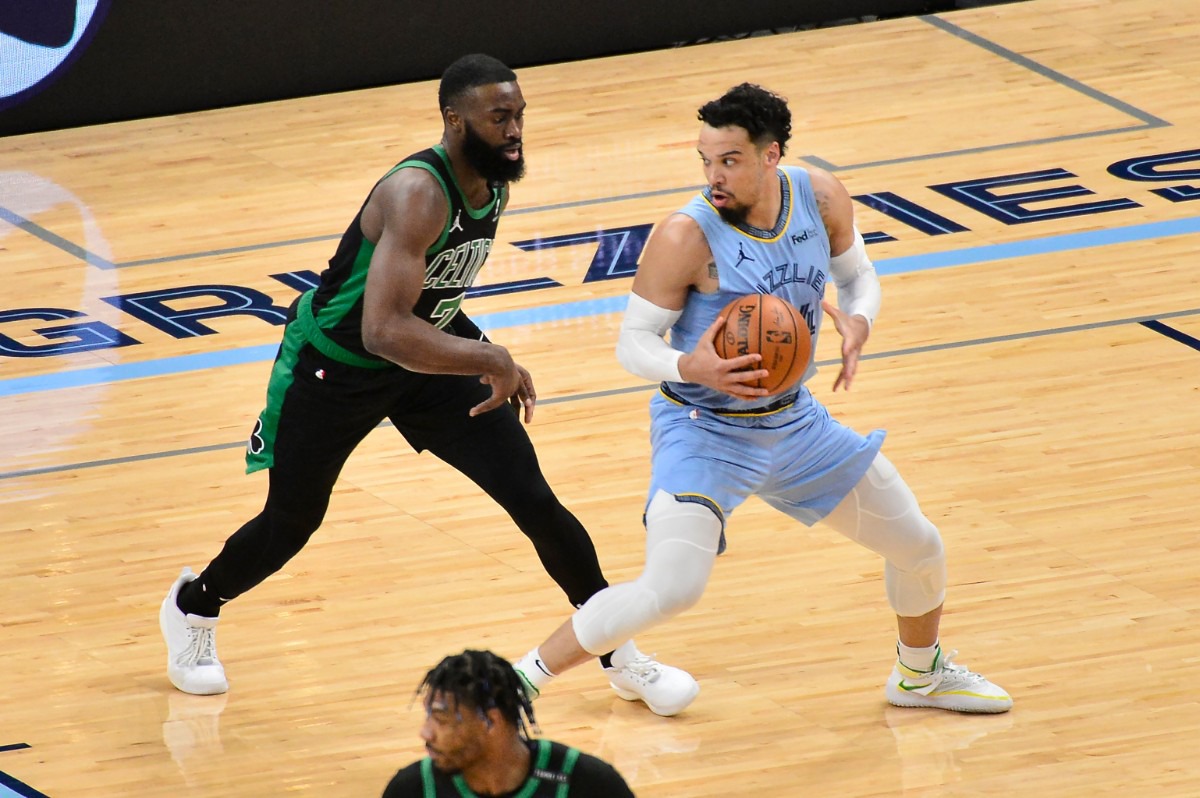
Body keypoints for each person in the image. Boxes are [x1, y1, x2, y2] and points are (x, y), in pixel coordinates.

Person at [158, 54, 697, 717]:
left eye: (520, 114)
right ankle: (194, 606)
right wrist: (490, 356)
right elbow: (383, 329)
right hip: (336, 368)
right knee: (291, 522)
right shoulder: (417, 193)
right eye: (500, 117)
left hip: (422, 366)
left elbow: (434, 299)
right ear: (454, 118)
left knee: (533, 499)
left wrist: (481, 354)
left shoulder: (493, 181)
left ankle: (616, 651)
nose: (515, 129)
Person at [513, 83, 1012, 715]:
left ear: (772, 155)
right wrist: (687, 364)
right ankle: (519, 677)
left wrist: (860, 321)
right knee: (672, 589)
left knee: (920, 546)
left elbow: (858, 277)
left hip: (796, 424)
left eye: (730, 160)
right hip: (704, 427)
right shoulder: (684, 236)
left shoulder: (820, 195)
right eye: (705, 160)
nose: (713, 176)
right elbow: (631, 344)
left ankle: (919, 676)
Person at [382, 650, 635, 797]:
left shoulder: (588, 785)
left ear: (490, 721)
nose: (425, 732)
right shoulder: (413, 789)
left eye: (441, 719)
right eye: (428, 716)